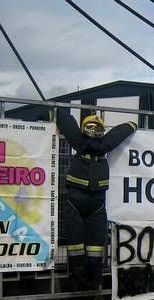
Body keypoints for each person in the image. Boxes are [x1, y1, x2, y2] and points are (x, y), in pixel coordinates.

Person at [57, 111, 138, 290]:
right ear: (83, 129)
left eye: (97, 127)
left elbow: (118, 134)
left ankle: (94, 282)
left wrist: (133, 124)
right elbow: (65, 119)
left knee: (96, 245)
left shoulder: (101, 146)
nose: (93, 130)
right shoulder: (79, 143)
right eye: (90, 127)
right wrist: (57, 112)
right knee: (75, 244)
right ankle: (78, 282)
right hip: (77, 202)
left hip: (96, 203)